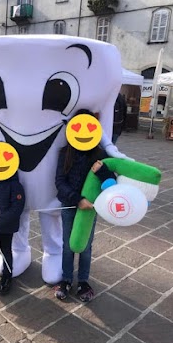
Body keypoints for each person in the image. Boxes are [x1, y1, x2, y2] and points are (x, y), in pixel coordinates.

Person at [54, 109, 116, 302]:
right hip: (70, 205)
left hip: (90, 209)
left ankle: (83, 281)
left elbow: (112, 181)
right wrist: (76, 199)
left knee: (86, 246)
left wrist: (103, 171)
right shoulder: (65, 153)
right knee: (67, 245)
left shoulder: (101, 154)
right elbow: (59, 181)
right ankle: (66, 279)